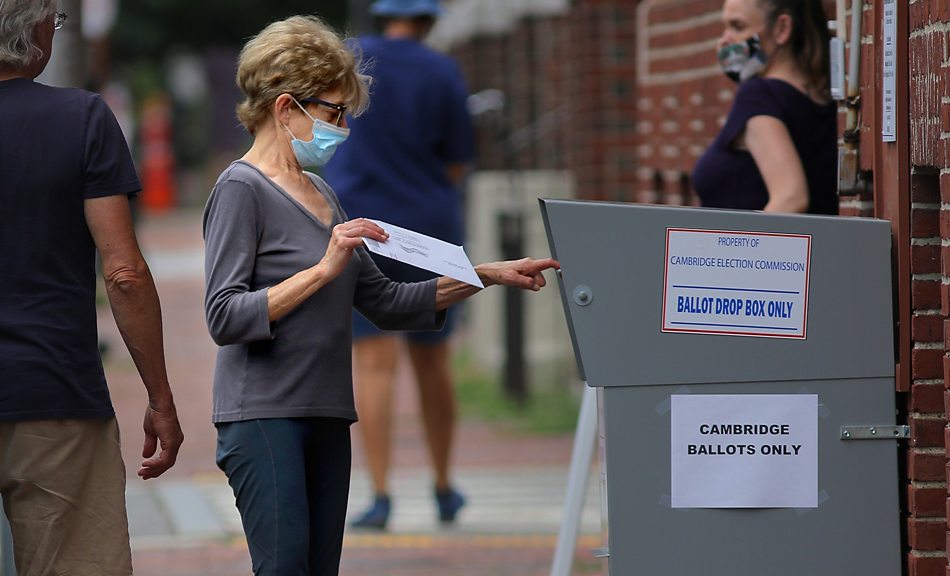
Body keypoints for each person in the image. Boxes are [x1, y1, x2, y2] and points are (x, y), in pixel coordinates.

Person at [203, 16, 557, 575]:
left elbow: (389, 303)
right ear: (286, 107)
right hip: (265, 415)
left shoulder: (322, 192)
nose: (343, 128)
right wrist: (323, 270)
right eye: (334, 113)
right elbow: (224, 316)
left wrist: (485, 274)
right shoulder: (239, 189)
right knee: (284, 567)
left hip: (327, 410)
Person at [0, 2, 184, 575]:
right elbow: (124, 273)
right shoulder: (80, 118)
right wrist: (159, 396)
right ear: (33, 29)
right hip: (54, 391)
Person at [323, 0, 475, 529]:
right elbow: (457, 161)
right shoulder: (442, 69)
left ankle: (381, 494)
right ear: (429, 20)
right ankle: (444, 486)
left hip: (363, 224)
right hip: (431, 227)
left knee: (374, 363)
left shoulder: (348, 58)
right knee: (433, 360)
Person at [691, 0, 838, 214]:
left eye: (738, 26)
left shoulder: (758, 96)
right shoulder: (825, 100)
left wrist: (745, 238)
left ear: (782, 28)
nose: (724, 40)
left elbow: (790, 198)